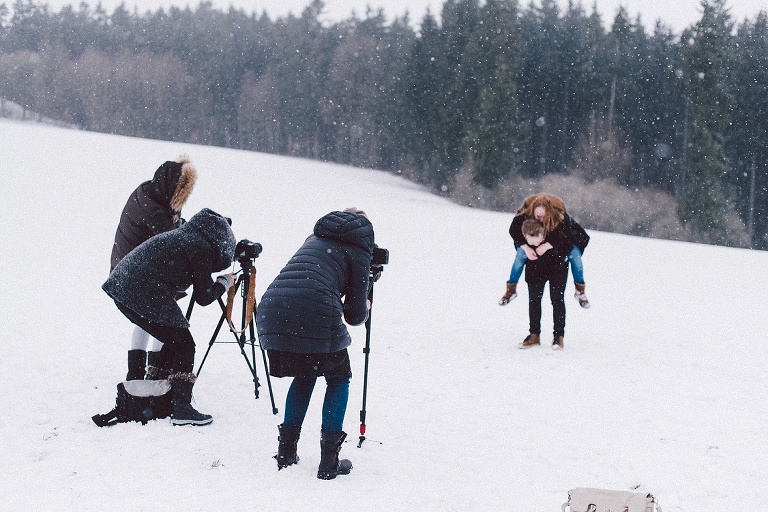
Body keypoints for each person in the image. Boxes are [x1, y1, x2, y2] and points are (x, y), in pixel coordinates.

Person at [257, 208, 374, 480]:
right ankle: (328, 462)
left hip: (273, 306)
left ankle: (286, 452)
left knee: (306, 371)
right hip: (313, 309)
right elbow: (355, 315)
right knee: (338, 377)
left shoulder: (315, 239)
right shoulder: (359, 249)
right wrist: (366, 298)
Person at [103, 208, 237, 426]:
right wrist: (224, 283)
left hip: (123, 287)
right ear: (220, 241)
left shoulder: (187, 236)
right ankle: (182, 407)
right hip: (141, 291)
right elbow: (204, 297)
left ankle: (160, 389)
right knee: (185, 344)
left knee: (174, 338)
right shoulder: (199, 247)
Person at [110, 156, 197, 381]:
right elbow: (174, 238)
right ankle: (151, 370)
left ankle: (138, 372)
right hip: (137, 277)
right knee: (161, 319)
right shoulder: (154, 211)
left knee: (147, 320)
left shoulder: (146, 193)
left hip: (127, 271)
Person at [499, 193, 590, 308]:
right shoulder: (525, 214)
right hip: (534, 240)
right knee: (520, 256)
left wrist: (548, 245)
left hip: (568, 241)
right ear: (533, 212)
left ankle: (580, 291)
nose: (540, 219)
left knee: (575, 258)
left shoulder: (560, 216)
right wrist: (526, 247)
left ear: (549, 213)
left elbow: (566, 236)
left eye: (543, 216)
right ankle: (511, 290)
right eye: (538, 216)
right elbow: (514, 231)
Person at [517, 218, 570, 350]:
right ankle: (534, 334)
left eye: (538, 238)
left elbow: (569, 241)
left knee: (557, 300)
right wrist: (526, 248)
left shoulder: (557, 230)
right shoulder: (522, 231)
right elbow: (514, 234)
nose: (535, 242)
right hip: (535, 271)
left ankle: (559, 336)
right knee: (534, 300)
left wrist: (548, 245)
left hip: (558, 269)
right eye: (531, 240)